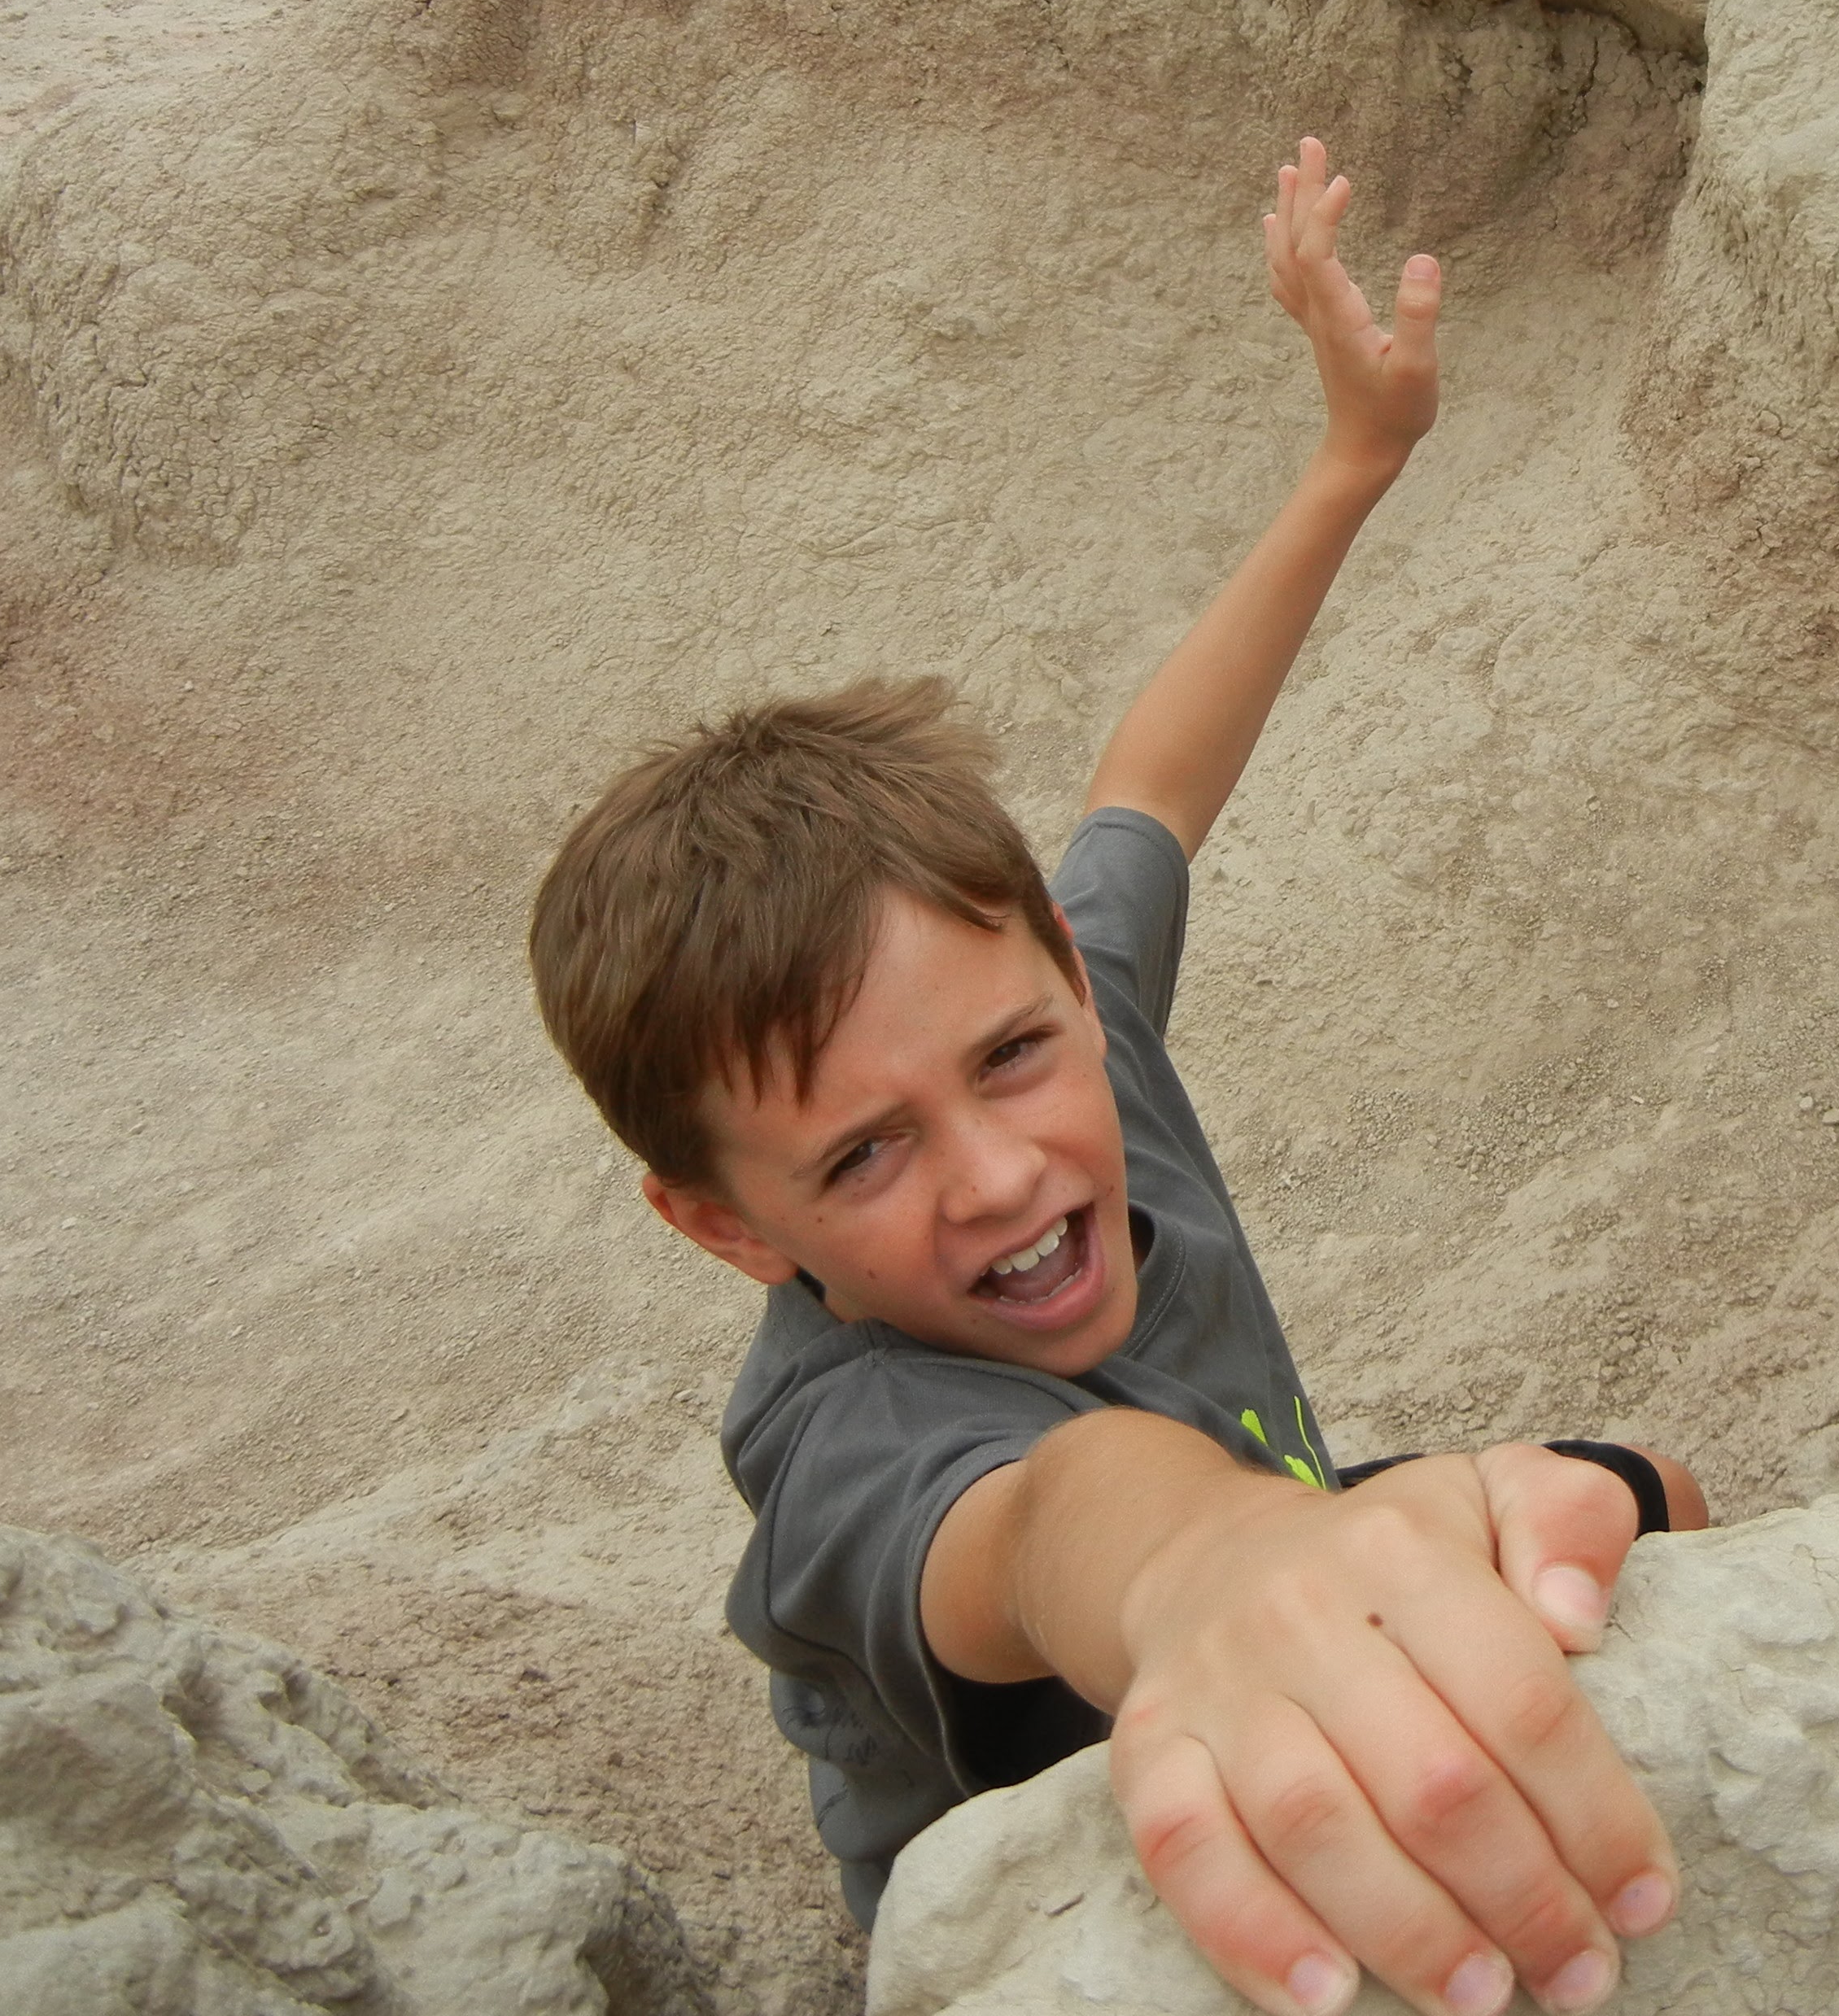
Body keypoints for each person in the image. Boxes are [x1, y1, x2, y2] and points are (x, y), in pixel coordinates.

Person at [528, 141, 1710, 2016]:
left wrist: (1354, 458)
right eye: (859, 1158)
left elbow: (1147, 788)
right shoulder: (850, 1443)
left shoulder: (1072, 1023)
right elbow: (1069, 1521)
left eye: (1013, 1054)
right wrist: (1222, 1571)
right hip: (1040, 1836)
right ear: (722, 1226)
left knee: (1642, 1486)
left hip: (1264, 1556)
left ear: (1069, 976)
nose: (996, 1172)